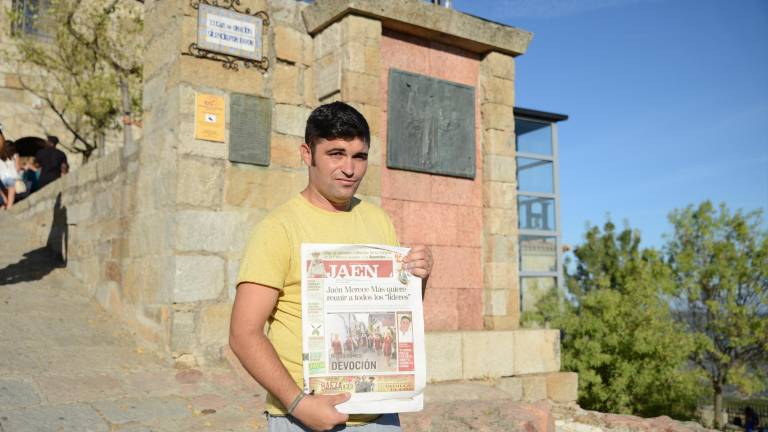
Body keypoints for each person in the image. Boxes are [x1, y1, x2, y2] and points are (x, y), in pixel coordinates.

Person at [229, 102, 433, 432]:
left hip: (380, 415)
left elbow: (397, 317)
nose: (349, 168)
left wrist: (418, 278)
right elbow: (243, 333)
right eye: (336, 153)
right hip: (304, 417)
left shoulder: (378, 221)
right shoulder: (278, 228)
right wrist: (299, 404)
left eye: (359, 156)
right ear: (306, 153)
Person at [0, 127, 20, 210]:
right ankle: (7, 215)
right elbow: (17, 167)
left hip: (2, 179)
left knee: (6, 199)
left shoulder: (0, 156)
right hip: (12, 178)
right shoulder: (15, 155)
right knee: (10, 202)